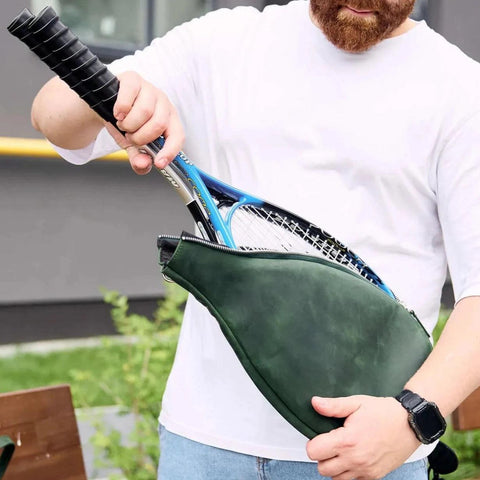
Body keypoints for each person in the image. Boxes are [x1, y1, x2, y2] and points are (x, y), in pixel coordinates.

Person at [31, 1, 480, 479]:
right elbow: (51, 114)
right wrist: (125, 97)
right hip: (201, 447)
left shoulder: (460, 89)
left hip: (370, 455)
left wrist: (413, 418)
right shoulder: (223, 43)